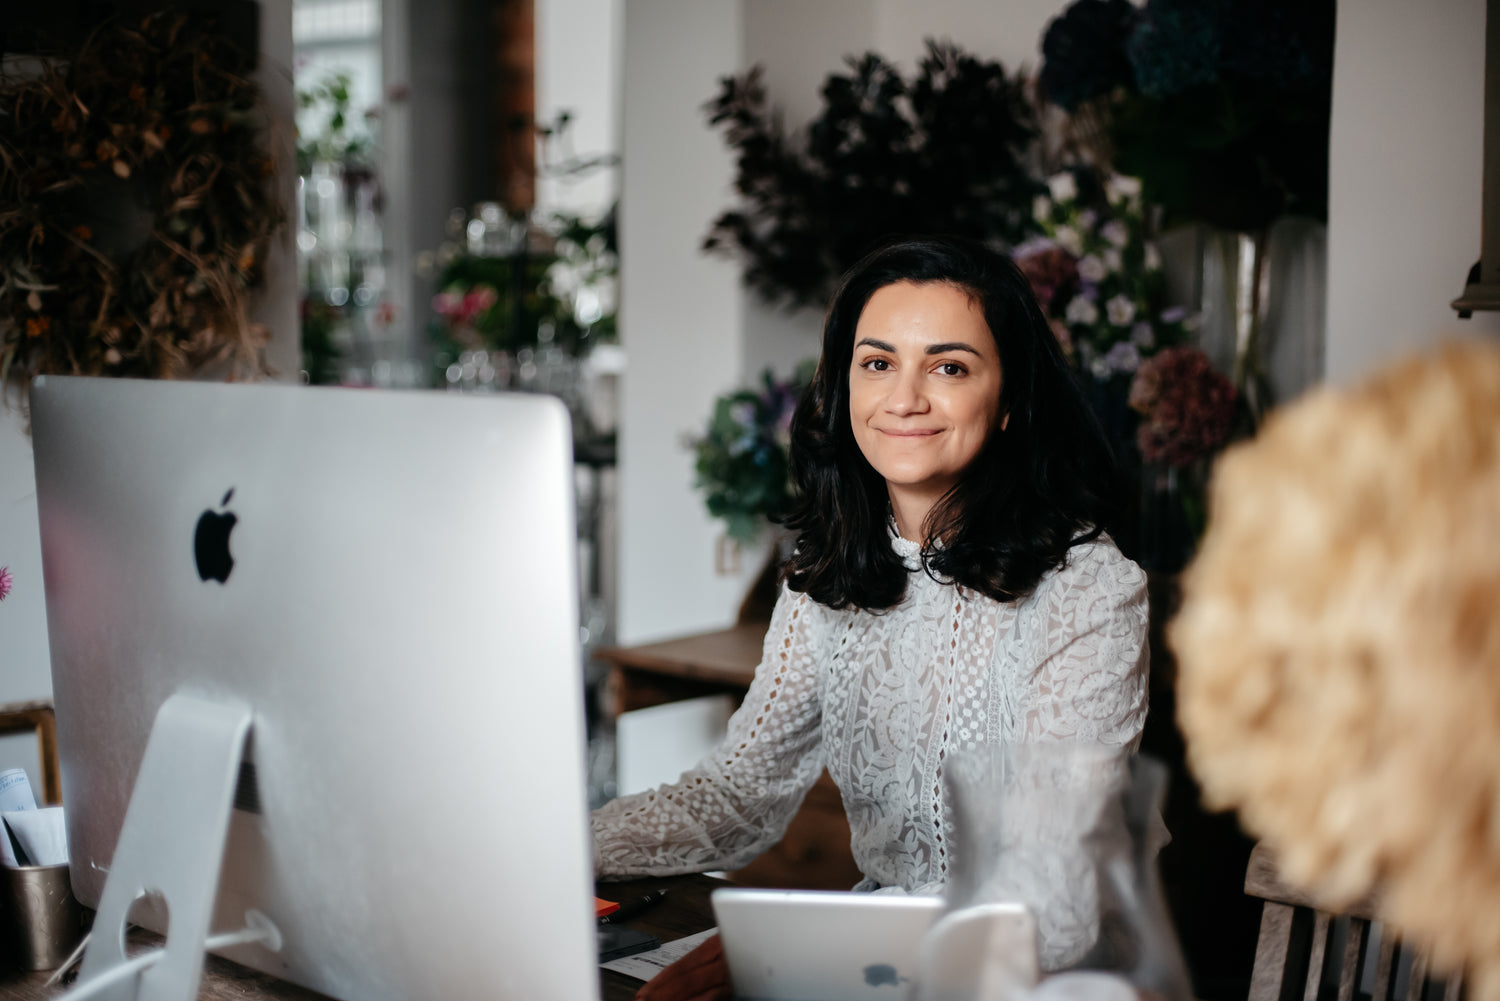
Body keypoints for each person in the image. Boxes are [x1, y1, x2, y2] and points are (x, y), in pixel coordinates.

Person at [592, 235, 1150, 999]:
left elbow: (1047, 907)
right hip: (878, 977)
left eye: (948, 366)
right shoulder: (826, 575)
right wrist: (557, 850)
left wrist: (782, 952)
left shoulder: (1091, 590)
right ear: (843, 385)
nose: (904, 397)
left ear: (1012, 399)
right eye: (877, 362)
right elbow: (736, 796)